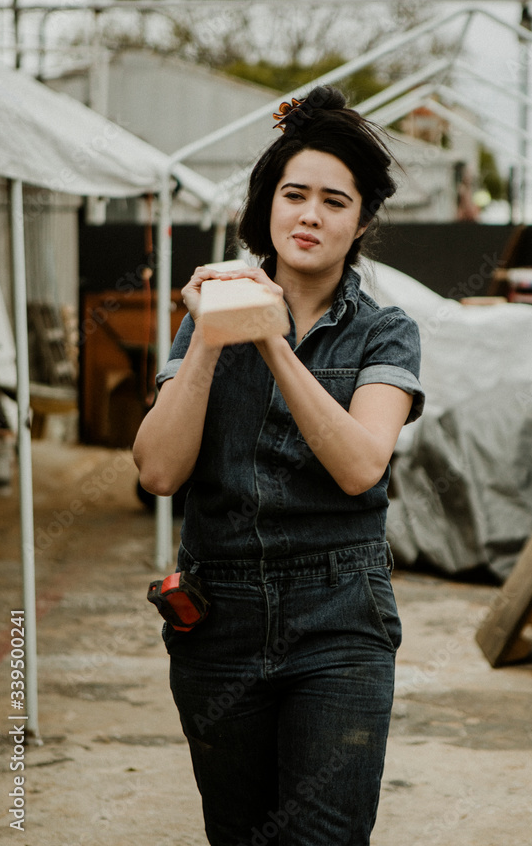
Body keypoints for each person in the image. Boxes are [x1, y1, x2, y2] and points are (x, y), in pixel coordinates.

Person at [133, 85, 424, 846]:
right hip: (216, 616)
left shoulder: (385, 335)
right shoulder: (203, 320)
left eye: (335, 201)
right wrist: (207, 337)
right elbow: (159, 472)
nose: (310, 215)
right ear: (267, 206)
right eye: (294, 194)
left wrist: (269, 339)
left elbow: (362, 465)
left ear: (360, 221)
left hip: (340, 618)